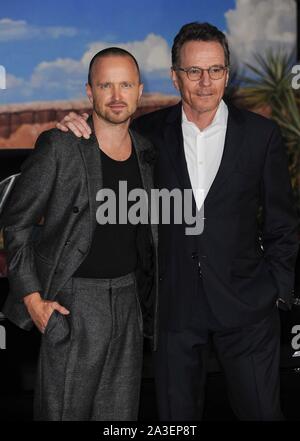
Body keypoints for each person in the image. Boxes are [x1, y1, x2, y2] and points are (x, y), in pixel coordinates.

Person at [57, 22, 298, 421]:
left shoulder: (262, 135)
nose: (205, 82)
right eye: (193, 71)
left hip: (247, 310)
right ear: (174, 76)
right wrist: (73, 128)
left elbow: (282, 224)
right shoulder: (146, 134)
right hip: (173, 312)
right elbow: (101, 135)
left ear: (227, 72)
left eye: (215, 70)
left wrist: (276, 290)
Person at [2, 47, 158, 421]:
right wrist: (33, 301)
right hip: (72, 304)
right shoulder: (61, 146)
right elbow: (15, 221)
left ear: (139, 91)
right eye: (106, 85)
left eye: (125, 85)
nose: (117, 95)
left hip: (127, 301)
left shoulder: (147, 151)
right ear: (90, 92)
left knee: (120, 418)